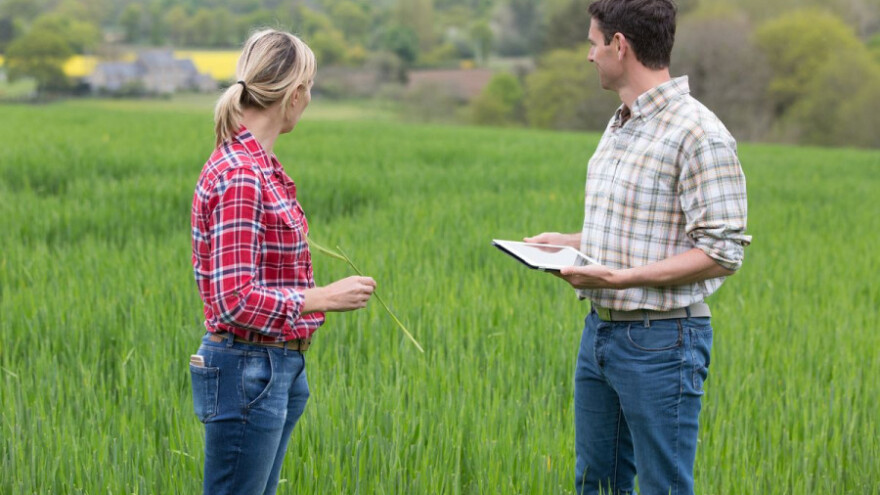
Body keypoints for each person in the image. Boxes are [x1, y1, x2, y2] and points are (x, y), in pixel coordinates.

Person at [525, 1, 751, 493]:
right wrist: (567, 243)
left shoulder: (699, 133)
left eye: (593, 43)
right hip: (600, 333)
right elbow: (640, 228)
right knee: (596, 484)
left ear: (619, 45)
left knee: (662, 487)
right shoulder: (621, 123)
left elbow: (722, 252)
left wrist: (620, 279)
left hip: (662, 342)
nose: (589, 55)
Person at [189, 29, 376, 495]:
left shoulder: (261, 167)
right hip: (249, 368)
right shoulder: (242, 175)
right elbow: (234, 300)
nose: (308, 100)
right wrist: (322, 297)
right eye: (308, 88)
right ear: (293, 95)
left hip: (272, 366)